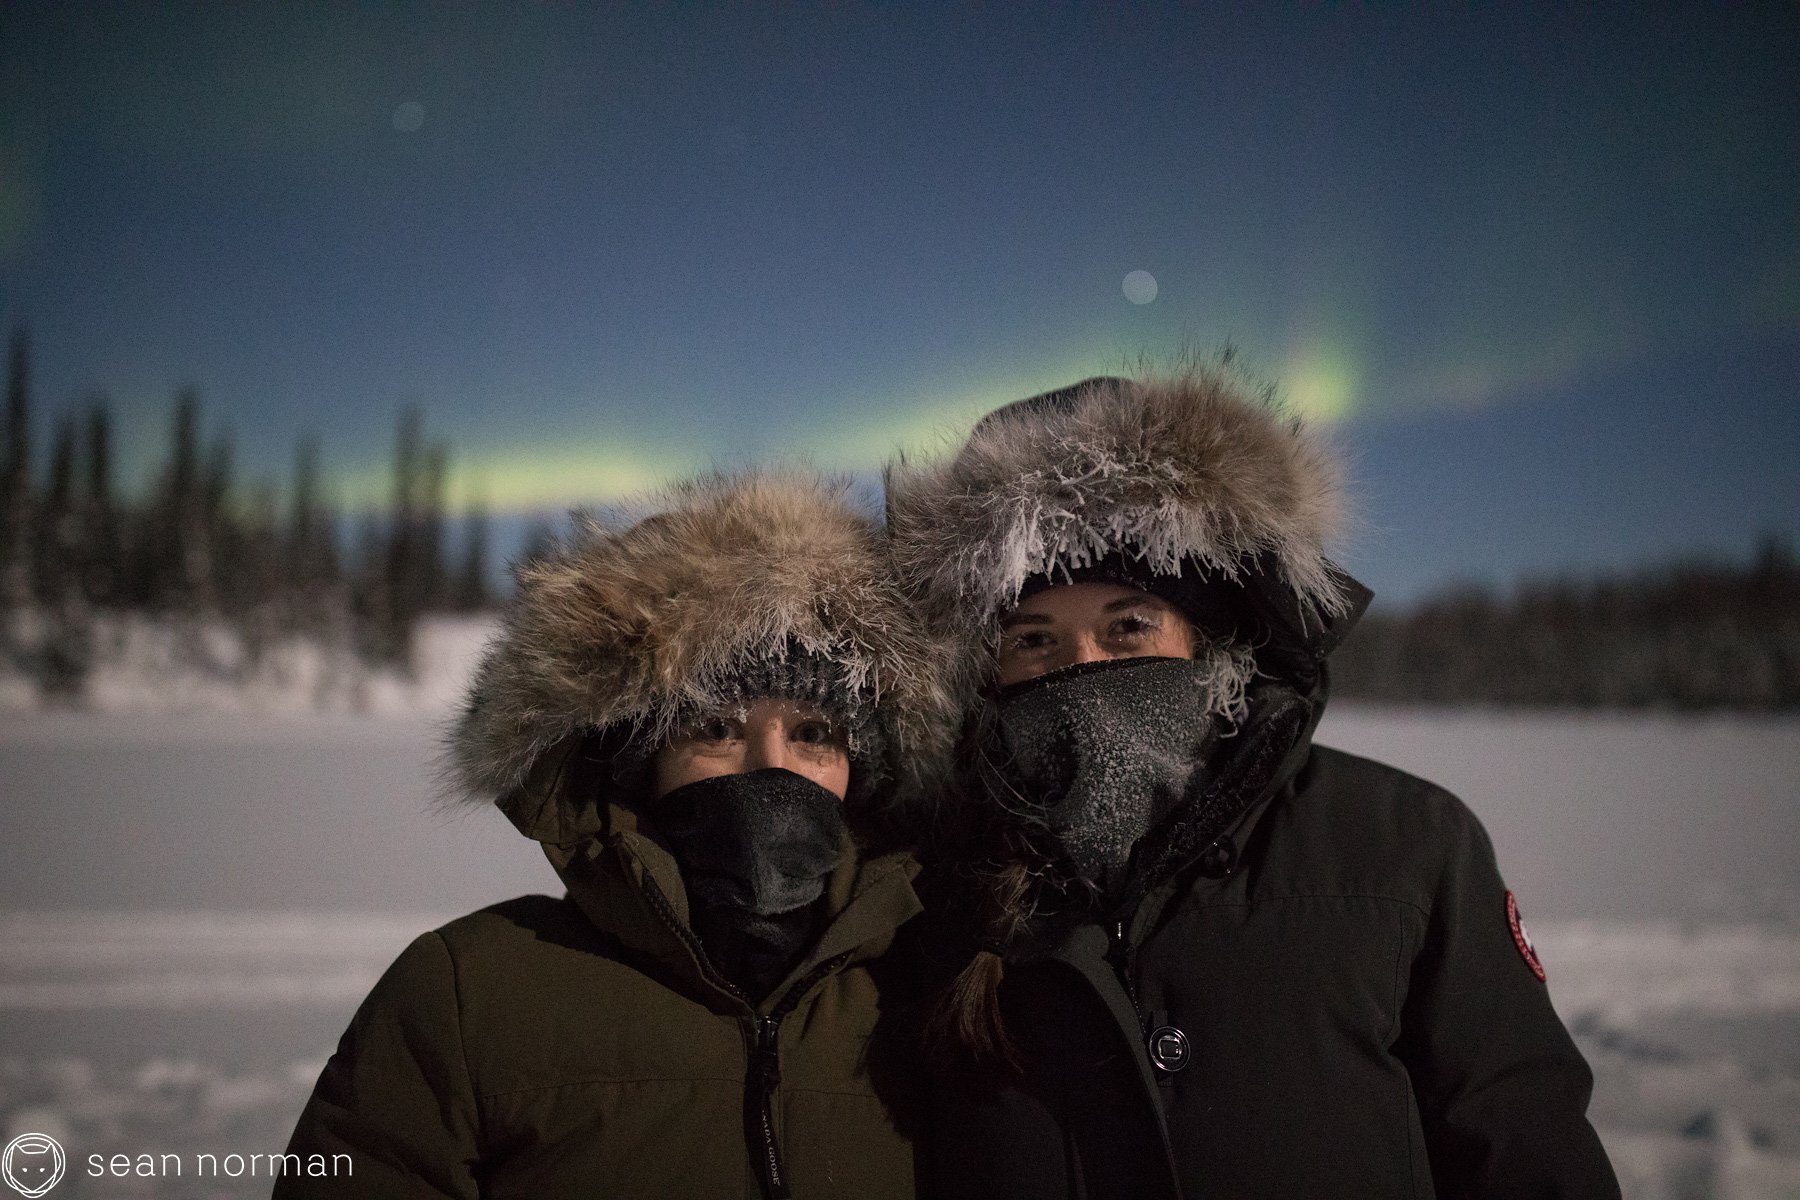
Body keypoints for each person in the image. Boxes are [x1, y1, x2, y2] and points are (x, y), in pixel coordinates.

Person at [884, 366, 1620, 1199]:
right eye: (1034, 640)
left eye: (1129, 626)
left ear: (1211, 640)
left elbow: (1522, 1148)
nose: (1081, 669)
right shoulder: (935, 894)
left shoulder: (1402, 845)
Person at [276, 470, 952, 1200]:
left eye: (814, 733)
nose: (771, 768)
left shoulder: (941, 997)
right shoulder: (471, 997)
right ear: (639, 763)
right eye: (715, 728)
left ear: (864, 771)